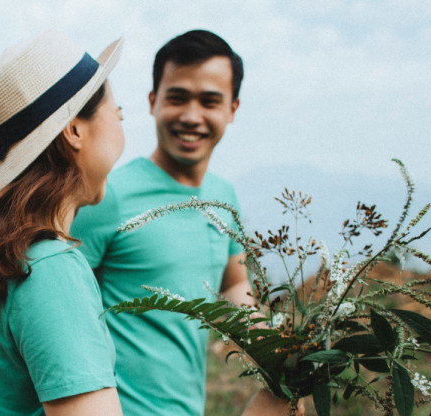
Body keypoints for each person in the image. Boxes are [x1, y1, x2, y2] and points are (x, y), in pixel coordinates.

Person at [71, 30, 302, 415]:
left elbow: (234, 285)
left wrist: (283, 357)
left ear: (233, 108)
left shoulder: (222, 196)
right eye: (177, 98)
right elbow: (61, 305)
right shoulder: (106, 196)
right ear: (152, 101)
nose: (192, 116)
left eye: (210, 101)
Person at [0, 30, 125, 416]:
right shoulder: (49, 270)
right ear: (75, 130)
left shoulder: (13, 258)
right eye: (119, 111)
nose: (121, 122)